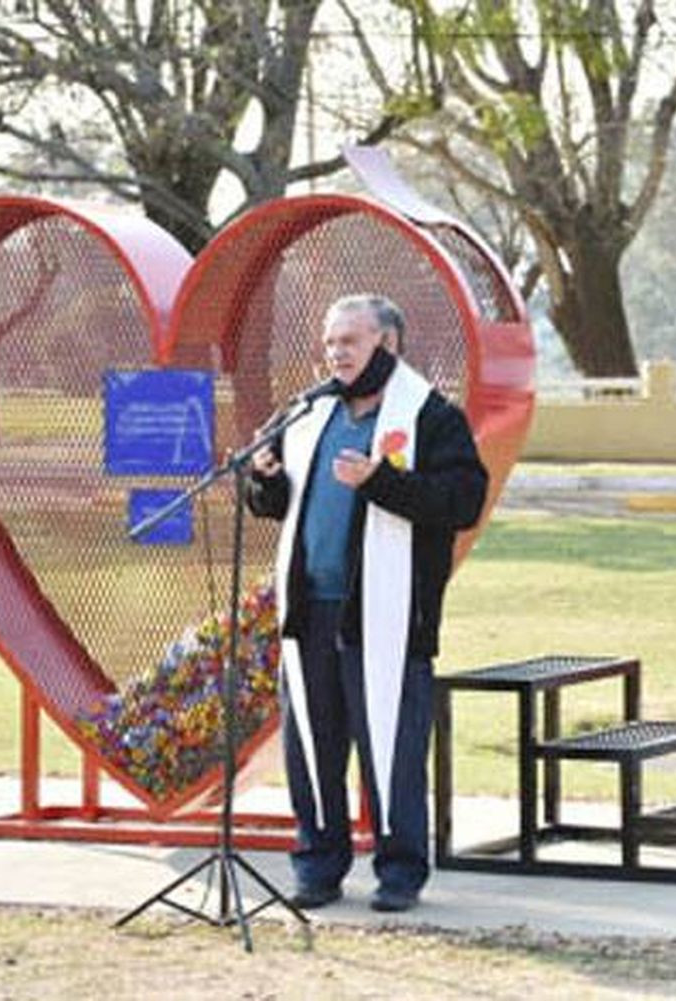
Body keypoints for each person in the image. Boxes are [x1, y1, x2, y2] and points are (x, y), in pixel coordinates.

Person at [246, 293, 488, 913]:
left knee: (393, 748)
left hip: (388, 616)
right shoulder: (309, 413)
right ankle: (319, 868)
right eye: (330, 343)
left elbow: (461, 500)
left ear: (388, 345)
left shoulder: (432, 418)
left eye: (350, 342)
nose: (336, 354)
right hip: (312, 611)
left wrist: (380, 481)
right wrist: (265, 479)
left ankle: (400, 873)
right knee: (315, 748)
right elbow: (273, 506)